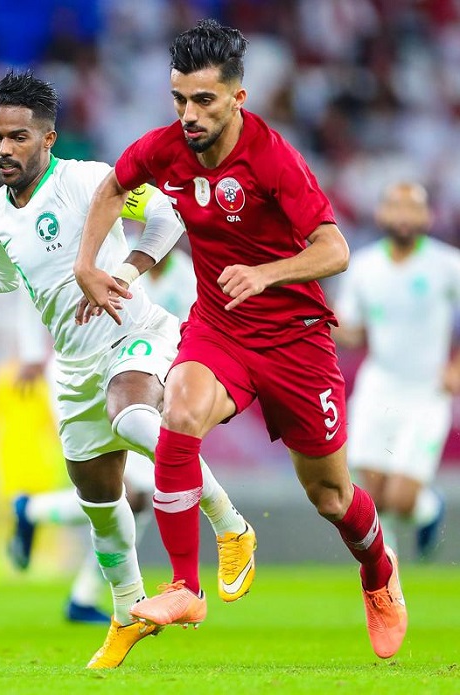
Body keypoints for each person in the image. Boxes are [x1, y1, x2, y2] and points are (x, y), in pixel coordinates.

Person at [0, 69, 255, 669]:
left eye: (18, 137)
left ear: (48, 138)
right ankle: (127, 612)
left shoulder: (88, 180)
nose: (4, 149)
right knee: (102, 508)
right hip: (74, 368)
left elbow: (167, 219)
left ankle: (230, 525)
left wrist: (122, 274)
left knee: (133, 417)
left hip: (135, 333)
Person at [73, 19, 407, 660]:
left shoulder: (273, 157)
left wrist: (266, 272)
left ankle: (377, 573)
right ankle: (185, 587)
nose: (189, 115)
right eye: (180, 99)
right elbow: (113, 187)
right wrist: (88, 265)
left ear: (237, 98)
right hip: (221, 326)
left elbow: (335, 249)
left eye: (204, 100)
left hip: (296, 342)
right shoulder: (164, 148)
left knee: (331, 497)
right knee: (179, 410)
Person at [7, 250, 197, 625]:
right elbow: (34, 282)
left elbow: (190, 336)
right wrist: (30, 352)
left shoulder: (186, 276)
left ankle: (39, 522)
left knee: (136, 497)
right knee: (124, 492)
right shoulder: (115, 255)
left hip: (141, 387)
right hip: (82, 376)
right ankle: (90, 594)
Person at [334, 182, 454, 560]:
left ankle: (429, 508)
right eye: (395, 207)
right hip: (379, 387)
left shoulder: (447, 264)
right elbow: (352, 330)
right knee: (372, 494)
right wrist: (327, 322)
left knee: (401, 500)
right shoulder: (364, 266)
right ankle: (386, 575)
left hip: (427, 393)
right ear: (382, 213)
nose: (403, 215)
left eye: (412, 207)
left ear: (427, 216)